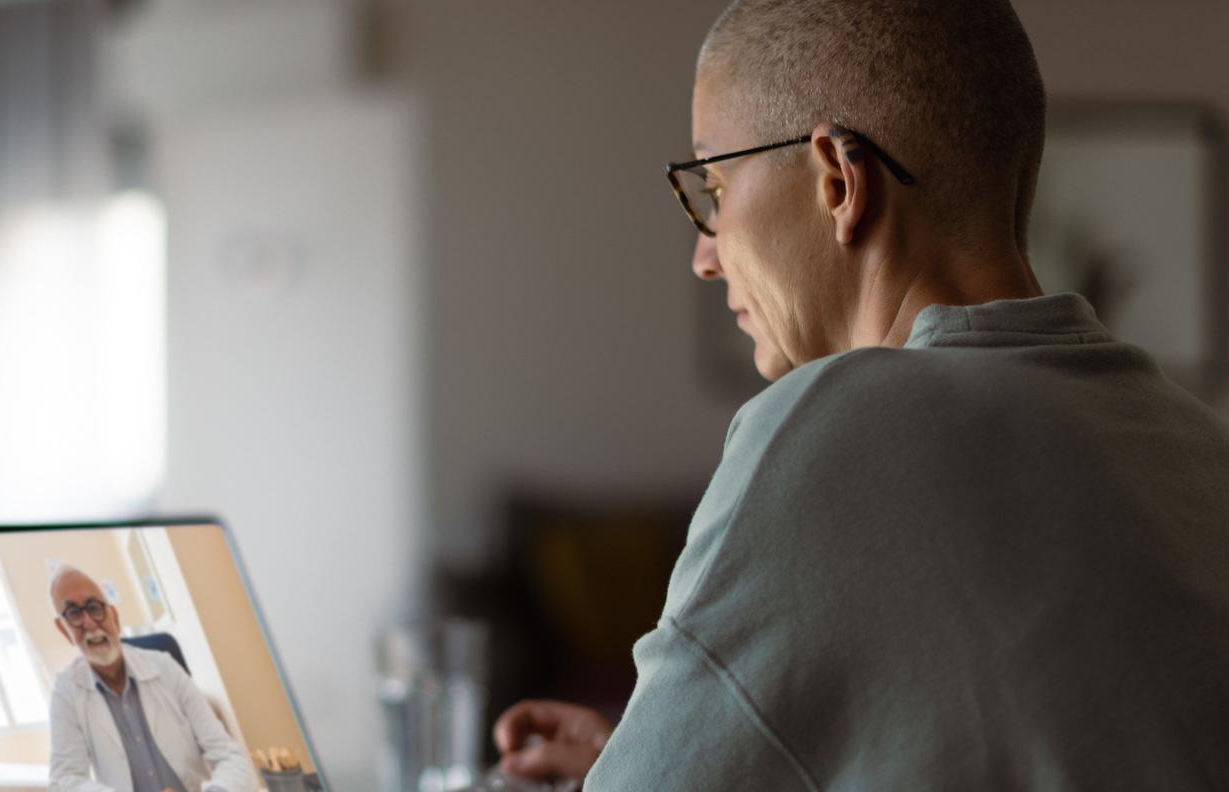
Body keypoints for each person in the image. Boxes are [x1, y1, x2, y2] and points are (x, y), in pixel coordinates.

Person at [494, 0, 1229, 788]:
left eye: (713, 186)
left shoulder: (830, 425)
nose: (706, 256)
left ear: (838, 182)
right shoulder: (1194, 442)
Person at [47, 565, 257, 792]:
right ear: (63, 629)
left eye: (94, 607)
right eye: (74, 614)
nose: (89, 623)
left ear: (114, 617)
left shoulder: (165, 666)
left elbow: (228, 754)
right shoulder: (66, 691)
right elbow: (64, 779)